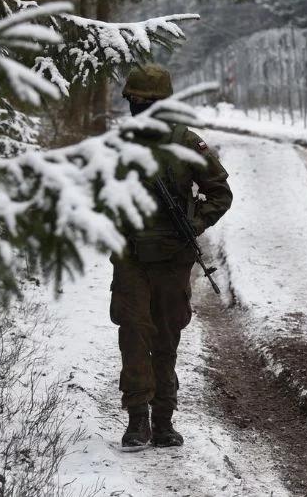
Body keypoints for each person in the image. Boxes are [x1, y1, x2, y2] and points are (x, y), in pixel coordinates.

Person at [112, 64, 233, 448]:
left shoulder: (186, 143)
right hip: (131, 257)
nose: (139, 108)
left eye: (147, 102)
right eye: (134, 101)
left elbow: (220, 193)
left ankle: (163, 419)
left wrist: (193, 223)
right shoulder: (118, 144)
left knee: (165, 339)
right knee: (133, 334)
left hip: (172, 258)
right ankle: (137, 419)